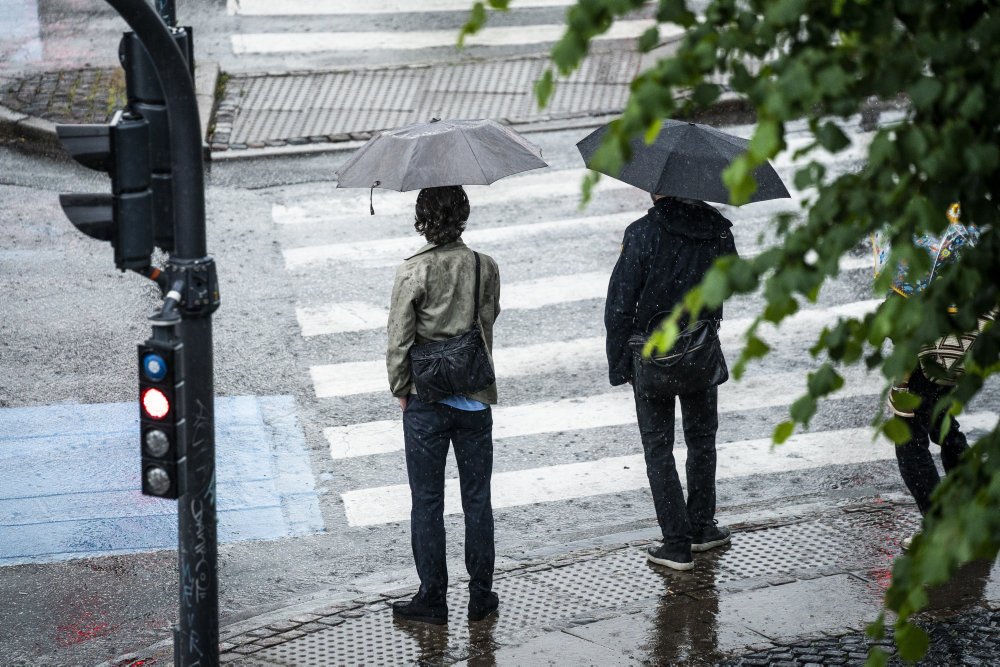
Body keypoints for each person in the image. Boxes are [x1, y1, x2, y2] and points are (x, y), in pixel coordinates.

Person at [386, 185, 502, 624]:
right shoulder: (483, 265)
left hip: (426, 402)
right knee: (478, 499)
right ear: (464, 215)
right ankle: (480, 596)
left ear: (422, 218)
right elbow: (487, 320)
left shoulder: (413, 272)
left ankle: (432, 598)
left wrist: (402, 387)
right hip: (474, 399)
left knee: (427, 503)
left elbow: (399, 338)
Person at [605, 194, 737, 571]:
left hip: (652, 355)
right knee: (701, 439)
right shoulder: (716, 230)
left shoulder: (641, 234)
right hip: (699, 349)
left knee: (658, 448)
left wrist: (620, 366)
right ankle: (701, 527)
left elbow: (619, 305)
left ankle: (676, 544)